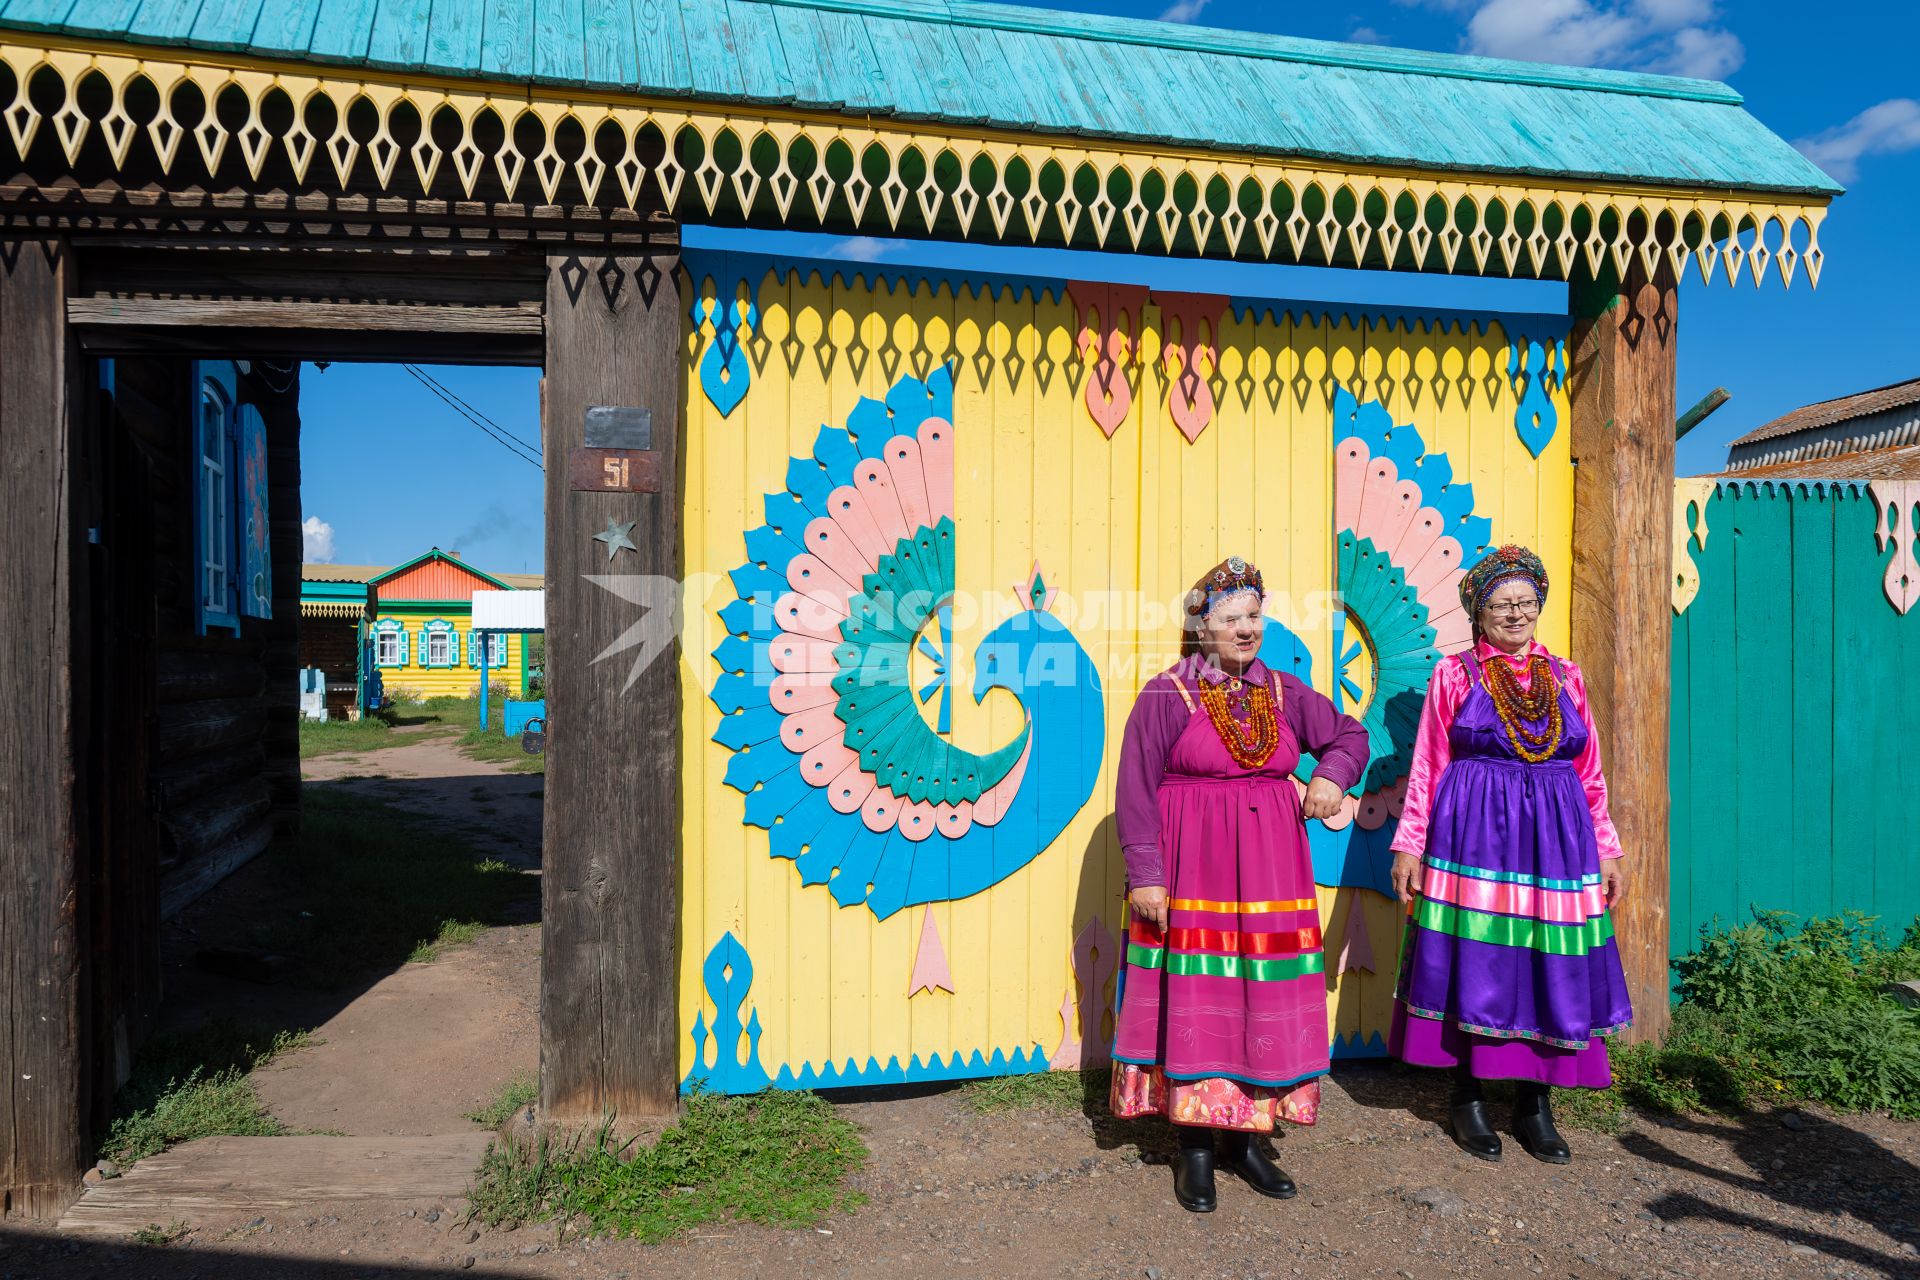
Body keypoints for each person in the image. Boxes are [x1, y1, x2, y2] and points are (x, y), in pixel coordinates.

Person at [1110, 557, 1369, 1213]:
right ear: (1202, 626)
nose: (1246, 627)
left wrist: (1332, 776)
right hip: (1191, 868)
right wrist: (1146, 875)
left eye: (1254, 615)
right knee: (1200, 996)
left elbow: (1348, 736)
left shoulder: (1286, 691)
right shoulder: (1167, 693)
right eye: (1231, 618)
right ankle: (1196, 1147)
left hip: (1270, 873)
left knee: (1262, 997)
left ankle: (1248, 1140)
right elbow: (1136, 788)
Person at [1387, 544, 1632, 1165]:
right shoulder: (1455, 673)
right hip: (1475, 832)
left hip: (1557, 834)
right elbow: (1428, 766)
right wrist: (1411, 845)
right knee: (1480, 956)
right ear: (1479, 612)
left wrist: (1607, 849)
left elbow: (1591, 770)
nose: (1517, 614)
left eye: (1526, 602)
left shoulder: (1568, 675)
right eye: (1502, 604)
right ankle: (1467, 1097)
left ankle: (1534, 1104)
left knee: (1545, 958)